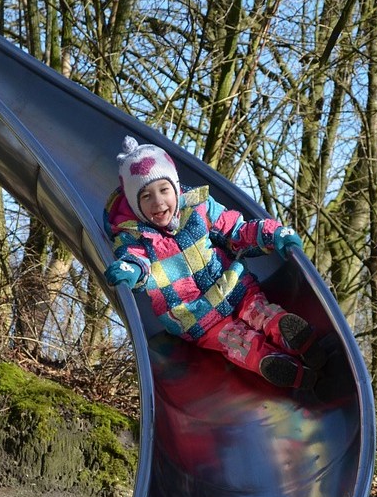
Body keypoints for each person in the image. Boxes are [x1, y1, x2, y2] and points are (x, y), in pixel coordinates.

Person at [103, 135, 327, 392]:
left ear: (175, 188)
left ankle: (298, 340)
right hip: (195, 316)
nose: (158, 202)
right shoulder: (134, 238)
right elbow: (135, 261)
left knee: (261, 312)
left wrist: (272, 233)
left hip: (234, 288)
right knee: (238, 343)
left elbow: (236, 230)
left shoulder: (199, 209)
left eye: (163, 190)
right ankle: (281, 368)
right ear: (135, 204)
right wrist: (130, 270)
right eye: (146, 196)